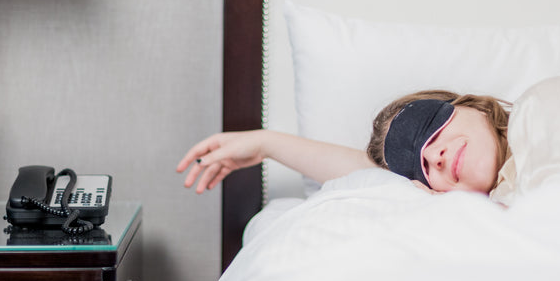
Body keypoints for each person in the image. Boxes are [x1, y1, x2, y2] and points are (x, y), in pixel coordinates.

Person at [177, 90, 511, 196]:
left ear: (475, 107)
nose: (434, 156)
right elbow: (373, 176)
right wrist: (267, 144)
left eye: (431, 126)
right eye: (420, 168)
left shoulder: (549, 111)